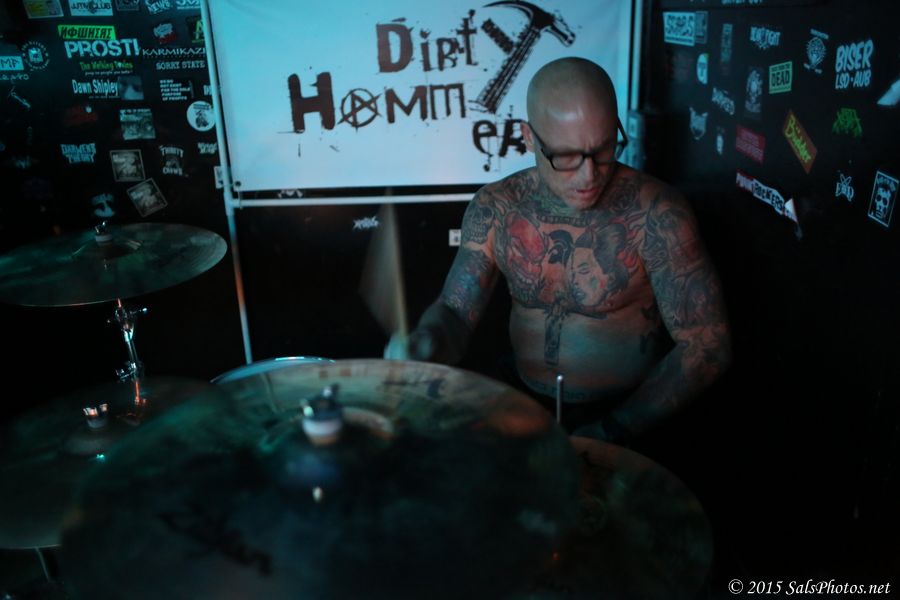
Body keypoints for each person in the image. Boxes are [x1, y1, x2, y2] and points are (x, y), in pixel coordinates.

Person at [385, 57, 731, 443]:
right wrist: (428, 341)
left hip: (628, 413)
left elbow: (706, 344)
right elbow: (455, 312)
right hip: (521, 405)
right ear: (529, 137)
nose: (589, 175)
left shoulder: (656, 213)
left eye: (604, 149)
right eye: (566, 157)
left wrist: (616, 428)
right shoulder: (497, 207)